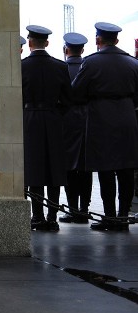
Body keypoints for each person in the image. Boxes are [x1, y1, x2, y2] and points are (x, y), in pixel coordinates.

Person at [71, 22, 138, 231]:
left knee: (105, 168)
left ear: (98, 40)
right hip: (127, 116)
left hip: (101, 117)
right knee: (126, 167)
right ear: (116, 40)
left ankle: (109, 216)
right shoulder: (132, 63)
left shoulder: (91, 63)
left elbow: (76, 93)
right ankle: (123, 216)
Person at [21, 25, 71, 232]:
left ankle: (37, 216)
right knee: (53, 168)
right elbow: (69, 99)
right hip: (52, 119)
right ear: (47, 43)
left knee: (35, 168)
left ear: (30, 43)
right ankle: (52, 217)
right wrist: (56, 113)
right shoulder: (60, 67)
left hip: (30, 118)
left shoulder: (21, 66)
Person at [59, 32, 93, 224]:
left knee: (69, 168)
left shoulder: (61, 68)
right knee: (86, 167)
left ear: (66, 49)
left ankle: (72, 209)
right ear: (82, 50)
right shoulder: (89, 66)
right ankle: (84, 209)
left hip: (67, 122)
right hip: (88, 120)